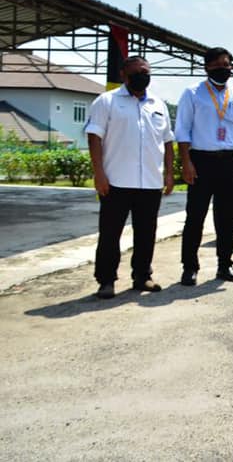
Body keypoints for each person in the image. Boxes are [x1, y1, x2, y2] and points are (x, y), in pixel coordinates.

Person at [85, 56, 174, 299]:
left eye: (145, 72)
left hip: (150, 182)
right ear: (123, 75)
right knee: (110, 234)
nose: (141, 76)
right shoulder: (107, 101)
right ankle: (106, 281)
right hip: (116, 181)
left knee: (146, 233)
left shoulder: (158, 104)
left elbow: (167, 141)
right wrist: (99, 173)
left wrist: (169, 173)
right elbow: (94, 137)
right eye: (135, 73)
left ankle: (142, 276)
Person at [175, 47, 233, 286]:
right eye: (218, 65)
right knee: (195, 217)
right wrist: (186, 162)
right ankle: (190, 267)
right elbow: (182, 130)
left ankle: (225, 264)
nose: (224, 69)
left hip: (230, 161)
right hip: (201, 160)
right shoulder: (192, 93)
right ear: (207, 67)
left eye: (227, 65)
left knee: (228, 217)